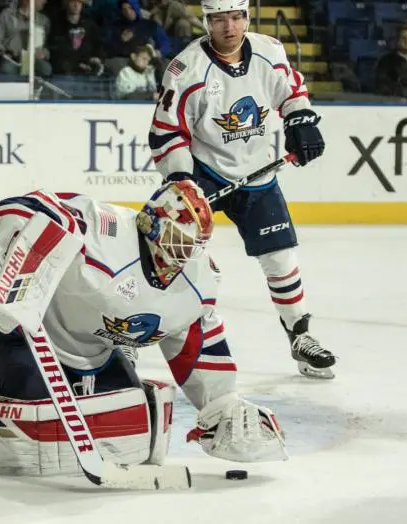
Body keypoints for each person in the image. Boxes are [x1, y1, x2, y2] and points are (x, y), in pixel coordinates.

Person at [0, 182, 287, 476]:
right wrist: (22, 246)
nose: (181, 256)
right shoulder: (102, 231)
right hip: (18, 340)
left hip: (94, 359)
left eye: (191, 247)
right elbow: (23, 207)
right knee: (53, 441)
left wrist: (221, 403)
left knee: (133, 432)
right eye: (176, 241)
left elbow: (194, 341)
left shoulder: (197, 283)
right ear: (151, 223)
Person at [148, 0, 336, 379]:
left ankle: (300, 336)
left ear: (247, 18)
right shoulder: (186, 69)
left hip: (258, 175)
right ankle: (133, 331)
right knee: (169, 255)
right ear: (207, 22)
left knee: (281, 260)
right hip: (203, 173)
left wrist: (300, 118)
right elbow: (167, 131)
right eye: (219, 19)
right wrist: (182, 182)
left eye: (236, 17)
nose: (229, 27)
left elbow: (291, 89)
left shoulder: (270, 51)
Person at [0, 0, 53, 78]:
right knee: (7, 68)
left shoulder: (43, 20)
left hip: (32, 59)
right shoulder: (7, 15)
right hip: (12, 58)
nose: (45, 1)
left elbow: (46, 45)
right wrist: (4, 51)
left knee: (46, 69)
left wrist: (44, 53)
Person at [47, 0, 105, 77]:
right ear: (66, 3)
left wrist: (97, 58)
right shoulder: (58, 24)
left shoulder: (90, 24)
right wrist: (77, 64)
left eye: (79, 2)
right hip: (66, 67)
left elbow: (98, 44)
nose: (76, 5)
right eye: (72, 1)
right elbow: (58, 50)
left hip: (88, 63)